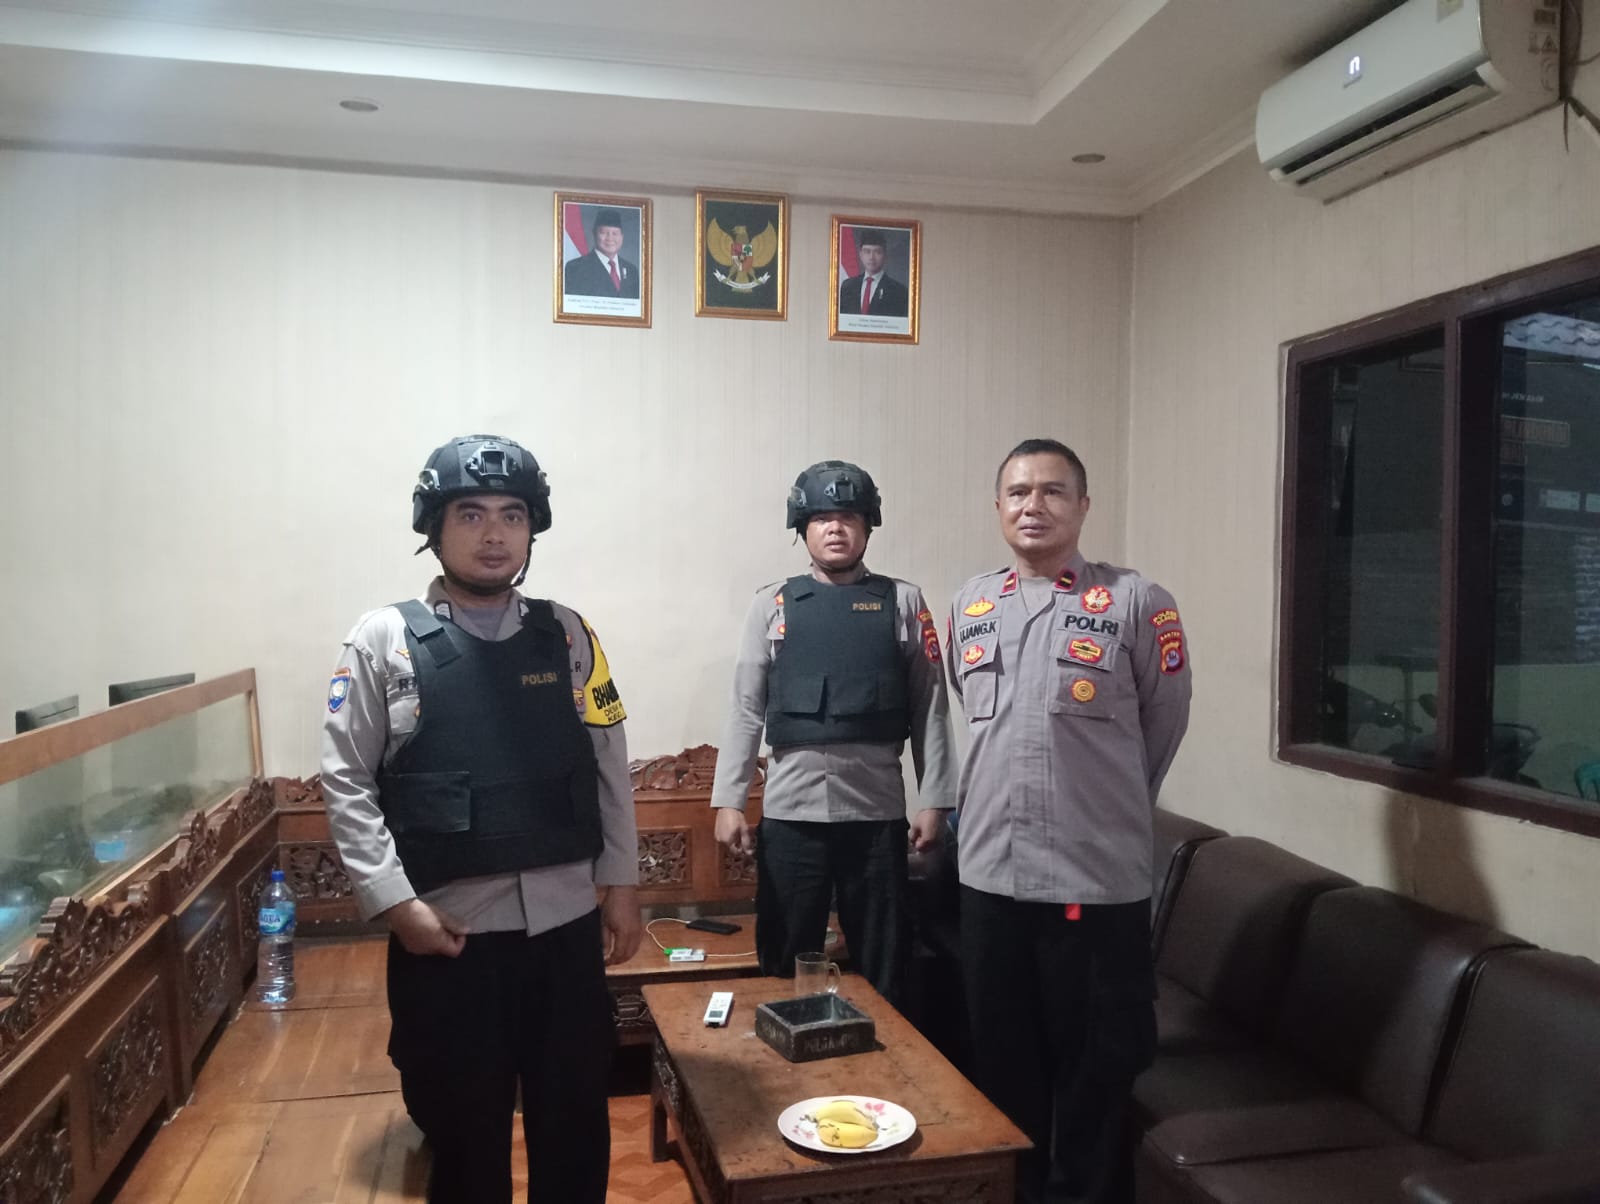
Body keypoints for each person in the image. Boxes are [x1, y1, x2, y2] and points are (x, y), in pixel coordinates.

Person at [320, 434, 641, 1204]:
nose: (494, 534)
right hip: (449, 938)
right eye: (471, 514)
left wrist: (623, 884)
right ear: (434, 527)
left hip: (565, 931)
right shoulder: (382, 640)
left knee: (575, 1129)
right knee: (466, 1145)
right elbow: (346, 781)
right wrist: (395, 905)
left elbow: (608, 756)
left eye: (512, 515)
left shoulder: (570, 633)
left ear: (532, 531)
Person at [947, 438, 1191, 1204]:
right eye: (1019, 492)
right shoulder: (969, 606)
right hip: (990, 879)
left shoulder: (1137, 603)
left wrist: (1102, 806)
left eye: (1053, 491)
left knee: (1095, 1074)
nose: (1034, 506)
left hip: (1093, 883)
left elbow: (1164, 723)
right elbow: (972, 715)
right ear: (998, 507)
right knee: (1002, 1066)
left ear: (1083, 506)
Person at [709, 460, 955, 1009]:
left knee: (886, 964)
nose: (836, 528)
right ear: (803, 528)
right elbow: (745, 708)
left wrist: (935, 801)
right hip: (791, 818)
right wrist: (728, 801)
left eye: (849, 517)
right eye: (822, 518)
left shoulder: (905, 602)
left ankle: (887, 1059)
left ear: (868, 526)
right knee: (784, 963)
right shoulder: (772, 604)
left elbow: (930, 708)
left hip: (875, 817)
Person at [563, 208, 640, 299]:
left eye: (615, 233)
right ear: (594, 234)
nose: (610, 238)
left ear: (622, 237)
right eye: (603, 232)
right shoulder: (575, 268)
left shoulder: (632, 271)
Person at [837, 228, 909, 317]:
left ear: (885, 255)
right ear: (860, 254)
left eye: (877, 252)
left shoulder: (899, 291)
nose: (871, 257)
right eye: (867, 251)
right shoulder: (847, 286)